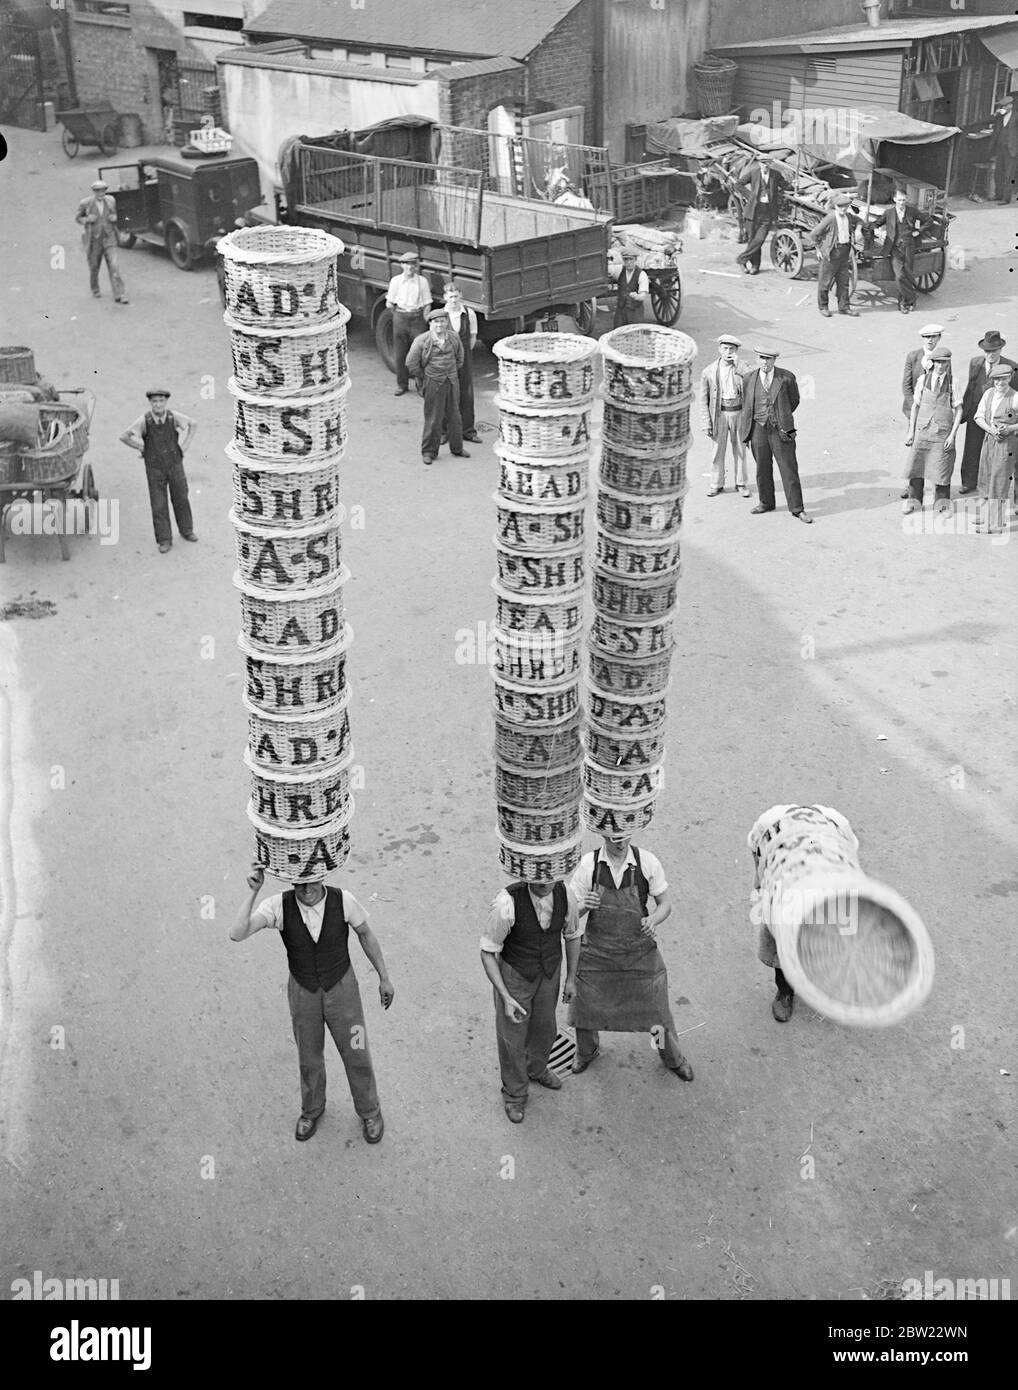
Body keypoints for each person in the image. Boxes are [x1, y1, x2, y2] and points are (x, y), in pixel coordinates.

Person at [231, 865, 393, 1143]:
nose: (307, 890)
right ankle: (312, 1109)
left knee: (357, 1051)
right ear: (291, 881)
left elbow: (366, 934)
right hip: (303, 992)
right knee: (309, 1057)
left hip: (343, 991)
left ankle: (370, 1111)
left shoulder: (344, 900)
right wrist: (253, 891)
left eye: (313, 881)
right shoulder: (278, 906)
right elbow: (237, 933)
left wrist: (384, 977)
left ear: (323, 875)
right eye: (300, 883)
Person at [567, 834, 694, 1082]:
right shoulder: (588, 865)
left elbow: (665, 904)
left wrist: (653, 920)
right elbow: (570, 915)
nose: (620, 842)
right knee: (584, 1009)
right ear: (604, 835)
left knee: (657, 1014)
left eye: (624, 837)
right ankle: (586, 1051)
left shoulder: (646, 862)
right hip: (596, 956)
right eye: (614, 838)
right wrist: (584, 905)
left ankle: (671, 1057)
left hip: (639, 956)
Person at [481, 878, 581, 1123]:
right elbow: (487, 952)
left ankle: (536, 1069)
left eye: (550, 875)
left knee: (545, 1028)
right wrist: (505, 996)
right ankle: (514, 1094)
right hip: (516, 976)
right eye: (539, 876)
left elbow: (573, 935)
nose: (546, 882)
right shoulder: (506, 903)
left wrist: (571, 979)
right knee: (512, 1037)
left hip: (549, 972)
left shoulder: (565, 893)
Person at [749, 804, 858, 1023]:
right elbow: (759, 860)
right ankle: (785, 990)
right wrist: (760, 886)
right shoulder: (767, 827)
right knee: (780, 952)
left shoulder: (839, 827)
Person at [119, 389, 197, 553]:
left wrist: (186, 444)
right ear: (150, 403)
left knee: (181, 497)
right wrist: (142, 447)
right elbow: (124, 436)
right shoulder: (144, 420)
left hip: (175, 465)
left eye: (161, 401)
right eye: (155, 402)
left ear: (166, 402)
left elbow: (193, 424)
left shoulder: (172, 417)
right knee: (159, 503)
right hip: (155, 469)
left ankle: (187, 531)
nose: (158, 405)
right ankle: (164, 539)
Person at [740, 348, 812, 523]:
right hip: (758, 428)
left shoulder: (786, 377)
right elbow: (746, 403)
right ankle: (766, 503)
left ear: (775, 360)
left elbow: (794, 401)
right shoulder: (749, 378)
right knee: (762, 468)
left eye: (769, 359)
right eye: (762, 358)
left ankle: (797, 509)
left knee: (789, 469)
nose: (765, 362)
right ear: (757, 358)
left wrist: (782, 417)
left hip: (782, 429)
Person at [405, 307, 470, 467]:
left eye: (442, 321)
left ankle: (457, 448)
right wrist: (425, 377)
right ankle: (428, 452)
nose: (439, 325)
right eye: (436, 322)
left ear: (447, 322)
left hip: (452, 380)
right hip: (433, 382)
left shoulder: (453, 337)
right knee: (433, 418)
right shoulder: (422, 340)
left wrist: (451, 371)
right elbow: (411, 363)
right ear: (430, 324)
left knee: (455, 416)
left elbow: (460, 358)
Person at [904, 346, 962, 515]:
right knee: (916, 466)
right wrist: (911, 432)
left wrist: (952, 435)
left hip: (943, 433)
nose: (940, 366)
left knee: (942, 468)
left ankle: (942, 504)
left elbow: (959, 410)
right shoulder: (923, 379)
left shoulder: (954, 382)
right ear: (932, 363)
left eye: (944, 363)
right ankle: (914, 502)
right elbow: (915, 405)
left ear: (948, 363)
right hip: (923, 431)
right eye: (937, 362)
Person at [959, 331, 1018, 495]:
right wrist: (965, 411)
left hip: (1001, 416)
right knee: (972, 447)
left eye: (994, 351)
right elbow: (970, 387)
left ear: (1000, 350)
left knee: (1001, 454)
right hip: (978, 412)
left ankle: (995, 486)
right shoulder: (975, 363)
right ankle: (969, 481)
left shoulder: (1012, 366)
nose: (990, 355)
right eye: (987, 351)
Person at [700, 332, 751, 497]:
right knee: (717, 452)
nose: (728, 352)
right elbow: (703, 400)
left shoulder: (743, 367)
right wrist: (706, 422)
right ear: (719, 350)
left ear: (736, 351)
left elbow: (752, 384)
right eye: (725, 348)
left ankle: (741, 483)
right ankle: (716, 484)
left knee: (741, 450)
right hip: (719, 414)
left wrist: (739, 367)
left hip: (739, 413)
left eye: (731, 349)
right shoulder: (708, 371)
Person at [973, 363, 1018, 535]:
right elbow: (978, 416)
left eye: (1004, 378)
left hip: (1007, 444)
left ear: (1010, 378)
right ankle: (985, 516)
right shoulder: (988, 394)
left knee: (999, 482)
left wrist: (1011, 429)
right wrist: (991, 430)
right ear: (993, 380)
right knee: (985, 477)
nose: (1001, 382)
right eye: (997, 379)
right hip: (989, 440)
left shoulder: (1015, 397)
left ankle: (996, 524)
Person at [385, 251, 432, 396]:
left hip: (417, 318)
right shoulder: (396, 281)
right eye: (406, 264)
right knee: (401, 354)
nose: (409, 268)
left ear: (416, 266)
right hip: (400, 317)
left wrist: (424, 320)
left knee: (419, 354)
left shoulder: (422, 281)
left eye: (412, 264)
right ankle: (402, 385)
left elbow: (427, 303)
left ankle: (421, 385)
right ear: (401, 265)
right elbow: (389, 303)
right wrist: (399, 315)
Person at [75, 178, 128, 305]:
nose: (101, 193)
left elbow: (115, 215)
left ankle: (119, 294)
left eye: (103, 191)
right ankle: (95, 288)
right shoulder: (86, 203)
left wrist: (115, 218)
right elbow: (78, 218)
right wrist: (88, 219)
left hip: (109, 239)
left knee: (114, 266)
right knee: (94, 266)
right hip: (94, 240)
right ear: (94, 191)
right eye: (98, 191)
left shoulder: (110, 201)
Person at [441, 281, 481, 444]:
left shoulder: (469, 313)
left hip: (464, 360)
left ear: (461, 296)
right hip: (445, 360)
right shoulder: (441, 315)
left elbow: (472, 337)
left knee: (467, 394)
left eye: (456, 296)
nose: (454, 300)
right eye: (451, 297)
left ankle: (468, 431)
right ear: (445, 298)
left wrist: (464, 356)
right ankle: (444, 432)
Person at [812, 192, 862, 317]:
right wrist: (819, 248)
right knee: (825, 281)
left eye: (845, 206)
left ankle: (844, 308)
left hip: (845, 252)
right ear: (835, 207)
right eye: (840, 206)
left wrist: (858, 229)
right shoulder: (830, 219)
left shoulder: (849, 217)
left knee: (843, 282)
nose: (843, 209)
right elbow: (814, 234)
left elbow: (860, 220)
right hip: (831, 253)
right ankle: (823, 307)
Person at [735, 155, 785, 275]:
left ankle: (742, 259)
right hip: (753, 211)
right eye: (763, 163)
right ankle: (755, 266)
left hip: (768, 211)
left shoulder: (775, 174)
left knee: (760, 239)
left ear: (770, 164)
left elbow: (785, 185)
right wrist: (750, 196)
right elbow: (738, 184)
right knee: (753, 239)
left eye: (768, 163)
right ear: (759, 164)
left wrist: (794, 184)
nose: (765, 165)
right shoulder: (754, 173)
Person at [882, 186, 928, 315]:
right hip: (895, 248)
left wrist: (918, 231)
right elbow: (878, 223)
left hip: (908, 246)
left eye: (904, 200)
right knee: (899, 276)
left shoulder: (912, 211)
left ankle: (904, 303)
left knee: (907, 274)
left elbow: (927, 220)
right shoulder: (889, 213)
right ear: (894, 199)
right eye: (899, 200)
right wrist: (866, 226)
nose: (902, 203)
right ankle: (911, 298)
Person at [902, 324, 945, 419]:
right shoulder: (913, 356)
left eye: (933, 337)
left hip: (936, 409)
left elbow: (946, 383)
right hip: (915, 408)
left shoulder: (944, 357)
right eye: (927, 337)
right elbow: (906, 385)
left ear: (939, 338)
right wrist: (915, 407)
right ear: (922, 338)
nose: (930, 340)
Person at [613, 249, 650, 328]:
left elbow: (643, 295)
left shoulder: (642, 275)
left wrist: (637, 296)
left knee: (635, 334)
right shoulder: (619, 271)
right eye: (626, 259)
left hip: (635, 312)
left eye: (631, 259)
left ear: (635, 260)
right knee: (617, 334)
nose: (628, 262)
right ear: (623, 260)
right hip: (621, 310)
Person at [991, 96, 1018, 205]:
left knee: (1009, 175)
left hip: (1012, 149)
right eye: (1002, 106)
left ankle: (1006, 198)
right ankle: (998, 195)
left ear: (1011, 105)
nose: (1004, 108)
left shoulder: (1016, 116)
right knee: (998, 172)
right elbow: (990, 120)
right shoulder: (999, 117)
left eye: (1006, 106)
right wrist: (996, 114)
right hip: (1000, 148)